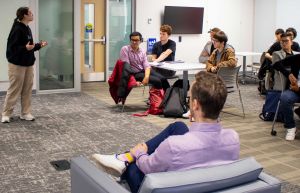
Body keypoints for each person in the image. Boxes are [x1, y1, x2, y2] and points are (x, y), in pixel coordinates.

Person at [92, 71, 240, 193]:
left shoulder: (173, 146)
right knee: (179, 127)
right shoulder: (233, 138)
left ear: (194, 105)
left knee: (133, 166)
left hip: (166, 186)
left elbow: (147, 167)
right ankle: (124, 157)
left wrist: (140, 153)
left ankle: (125, 159)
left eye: (190, 98)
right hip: (205, 183)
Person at [1, 7, 48, 123]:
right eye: (30, 13)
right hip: (17, 65)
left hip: (28, 64)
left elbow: (29, 47)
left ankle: (25, 113)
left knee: (27, 89)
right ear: (24, 15)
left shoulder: (27, 28)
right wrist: (25, 47)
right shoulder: (17, 29)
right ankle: (6, 114)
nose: (32, 15)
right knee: (15, 89)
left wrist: (39, 45)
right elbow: (13, 48)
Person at [273, 54, 300, 141]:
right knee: (284, 97)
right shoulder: (297, 58)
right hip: (293, 91)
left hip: (298, 89)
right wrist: (288, 74)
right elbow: (276, 64)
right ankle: (291, 127)